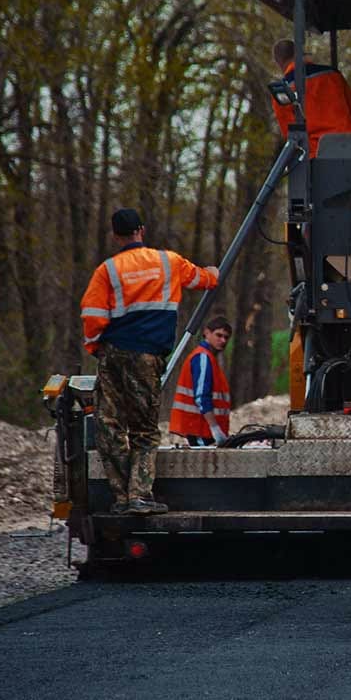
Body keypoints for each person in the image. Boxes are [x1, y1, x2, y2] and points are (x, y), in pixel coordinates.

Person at [80, 209, 220, 514]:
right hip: (147, 355)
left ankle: (120, 497)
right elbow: (204, 279)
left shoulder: (108, 271)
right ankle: (140, 496)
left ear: (115, 235)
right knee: (144, 429)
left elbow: (93, 317)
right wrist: (213, 272)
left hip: (113, 353)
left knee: (110, 426)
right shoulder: (169, 262)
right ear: (141, 230)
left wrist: (96, 349)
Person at [271, 39, 351, 157]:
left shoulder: (283, 91)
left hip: (317, 155)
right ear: (299, 53)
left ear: (278, 62)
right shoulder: (333, 74)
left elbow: (291, 134)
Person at [170, 317, 233, 447]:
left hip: (202, 428)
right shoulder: (203, 357)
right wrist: (215, 428)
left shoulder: (208, 358)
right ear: (207, 333)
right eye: (219, 335)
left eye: (226, 337)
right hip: (200, 428)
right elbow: (201, 396)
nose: (222, 340)